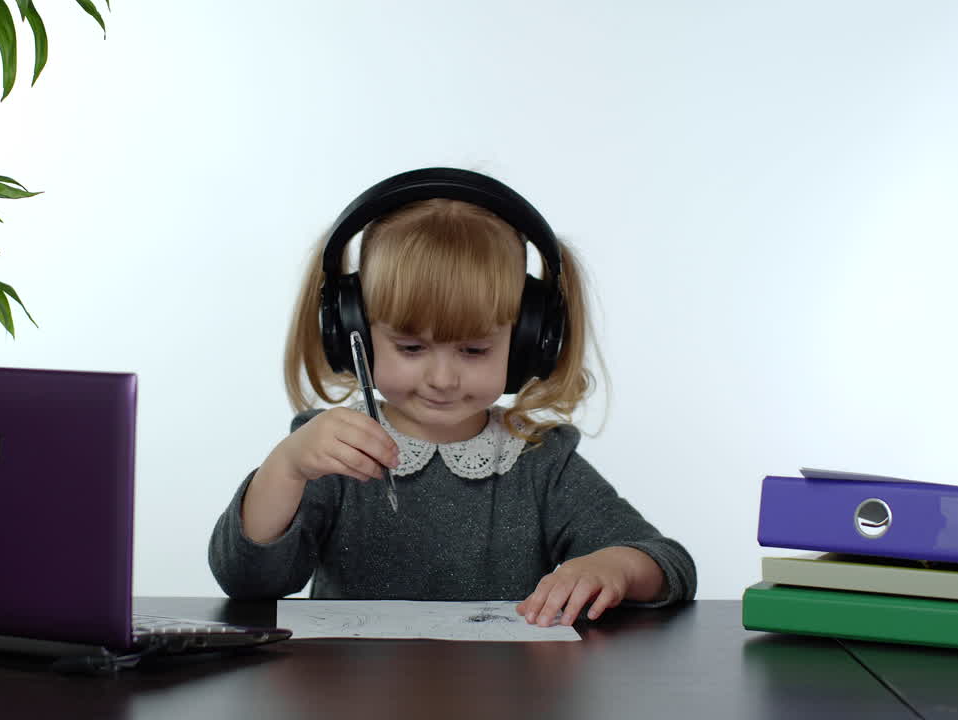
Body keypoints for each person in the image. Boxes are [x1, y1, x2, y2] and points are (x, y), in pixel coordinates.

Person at [209, 168, 696, 626]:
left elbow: (668, 564)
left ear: (529, 343)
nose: (442, 378)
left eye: (474, 349)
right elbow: (248, 583)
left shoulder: (539, 463)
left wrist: (614, 566)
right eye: (411, 347)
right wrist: (287, 468)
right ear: (353, 331)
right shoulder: (333, 453)